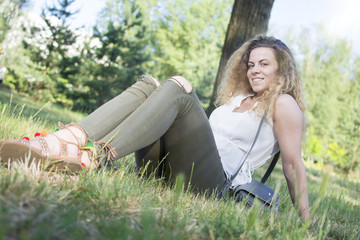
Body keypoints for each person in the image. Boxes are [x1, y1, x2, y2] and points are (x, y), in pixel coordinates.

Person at [0, 35, 310, 221]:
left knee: (179, 88)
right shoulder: (238, 99)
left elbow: (293, 163)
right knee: (150, 84)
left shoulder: (283, 104)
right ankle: (65, 140)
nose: (254, 69)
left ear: (281, 67)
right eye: (251, 63)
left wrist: (305, 220)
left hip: (212, 185)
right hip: (168, 172)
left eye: (264, 64)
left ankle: (93, 157)